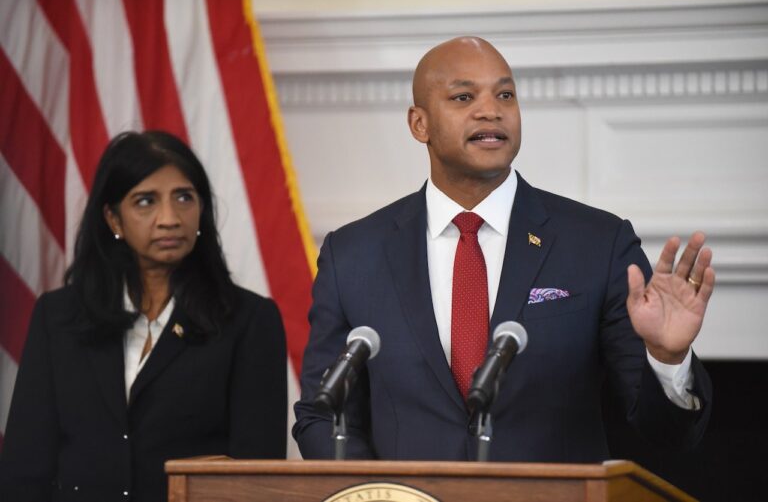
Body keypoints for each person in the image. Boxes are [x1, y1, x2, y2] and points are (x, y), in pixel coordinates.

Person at [293, 37, 714, 462]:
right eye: (463, 96)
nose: (490, 110)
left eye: (505, 95)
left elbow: (666, 436)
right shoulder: (353, 255)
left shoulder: (598, 243)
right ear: (419, 124)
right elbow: (321, 413)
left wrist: (667, 358)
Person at [0, 131, 287, 501]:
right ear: (113, 219)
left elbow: (257, 480)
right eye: (145, 201)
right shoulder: (58, 317)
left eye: (184, 197)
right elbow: (26, 466)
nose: (169, 218)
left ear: (202, 209)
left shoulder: (249, 320)